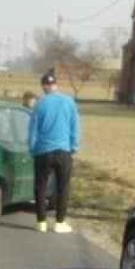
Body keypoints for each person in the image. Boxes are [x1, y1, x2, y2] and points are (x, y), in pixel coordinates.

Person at [28, 68, 81, 233]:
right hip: (63, 150)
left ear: (44, 86)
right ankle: (59, 222)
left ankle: (41, 221)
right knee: (63, 186)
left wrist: (32, 149)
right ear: (56, 85)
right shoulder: (69, 102)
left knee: (41, 186)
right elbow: (75, 126)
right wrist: (74, 146)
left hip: (43, 150)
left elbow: (33, 130)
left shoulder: (39, 104)